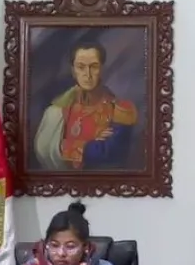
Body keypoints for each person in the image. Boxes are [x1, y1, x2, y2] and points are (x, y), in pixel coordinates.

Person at [33, 39, 138, 170]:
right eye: (80, 67)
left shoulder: (121, 110)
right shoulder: (56, 110)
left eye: (94, 66)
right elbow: (42, 149)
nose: (87, 75)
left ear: (102, 69)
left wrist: (64, 146)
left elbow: (110, 153)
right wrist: (91, 143)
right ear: (73, 70)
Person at [10, 202, 124, 265]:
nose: (61, 253)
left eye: (70, 246)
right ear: (46, 244)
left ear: (85, 246)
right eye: (54, 245)